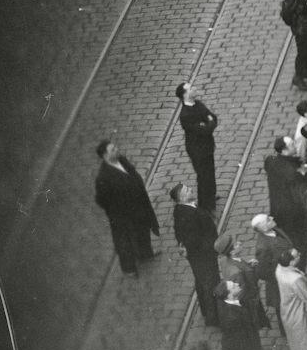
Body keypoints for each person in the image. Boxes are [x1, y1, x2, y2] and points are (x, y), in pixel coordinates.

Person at [93, 138, 159, 276]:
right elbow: (101, 199)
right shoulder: (103, 177)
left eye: (115, 147)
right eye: (112, 150)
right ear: (105, 156)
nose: (117, 150)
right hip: (122, 214)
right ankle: (128, 269)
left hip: (138, 204)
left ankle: (145, 255)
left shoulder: (121, 160)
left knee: (143, 229)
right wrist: (116, 208)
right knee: (124, 240)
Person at [171, 181, 223, 326]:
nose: (191, 190)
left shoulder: (181, 209)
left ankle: (207, 311)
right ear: (181, 198)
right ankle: (214, 317)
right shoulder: (189, 215)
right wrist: (211, 247)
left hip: (198, 256)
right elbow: (192, 239)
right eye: (187, 191)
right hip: (203, 256)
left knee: (202, 282)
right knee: (211, 283)